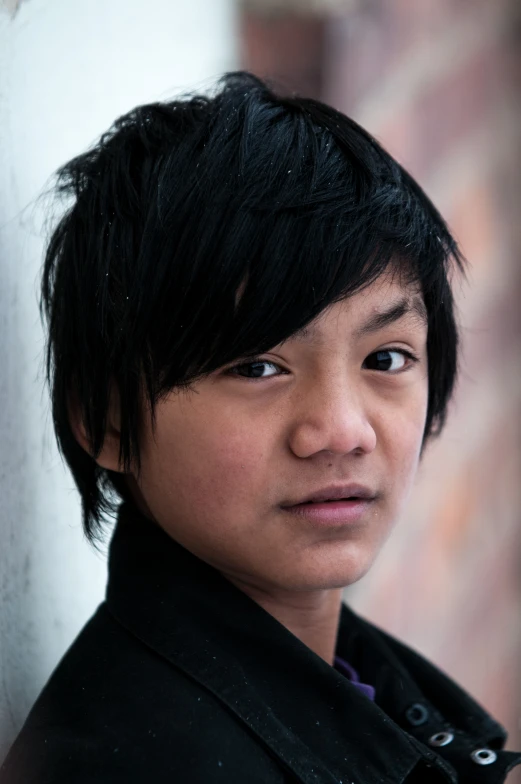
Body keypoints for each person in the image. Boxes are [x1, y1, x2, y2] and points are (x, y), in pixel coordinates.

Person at [1, 71, 519, 784]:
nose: (341, 431)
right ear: (108, 422)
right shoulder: (127, 764)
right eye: (257, 367)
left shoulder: (362, 685)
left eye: (386, 357)